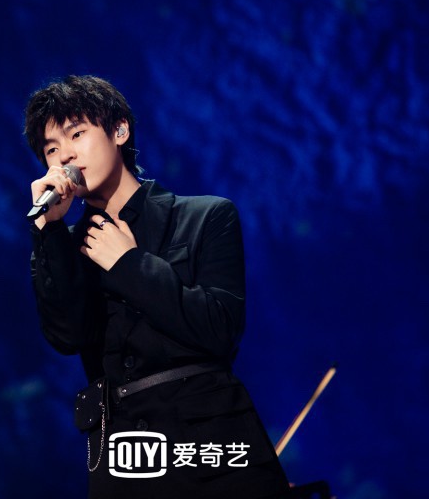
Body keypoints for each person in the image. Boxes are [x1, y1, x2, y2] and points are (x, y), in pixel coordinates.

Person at [24, 75, 289, 498]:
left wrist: (129, 265)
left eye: (77, 134)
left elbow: (220, 328)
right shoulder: (62, 249)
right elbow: (68, 336)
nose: (65, 155)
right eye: (51, 149)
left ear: (119, 131)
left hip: (210, 450)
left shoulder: (205, 217)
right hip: (124, 459)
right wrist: (50, 231)